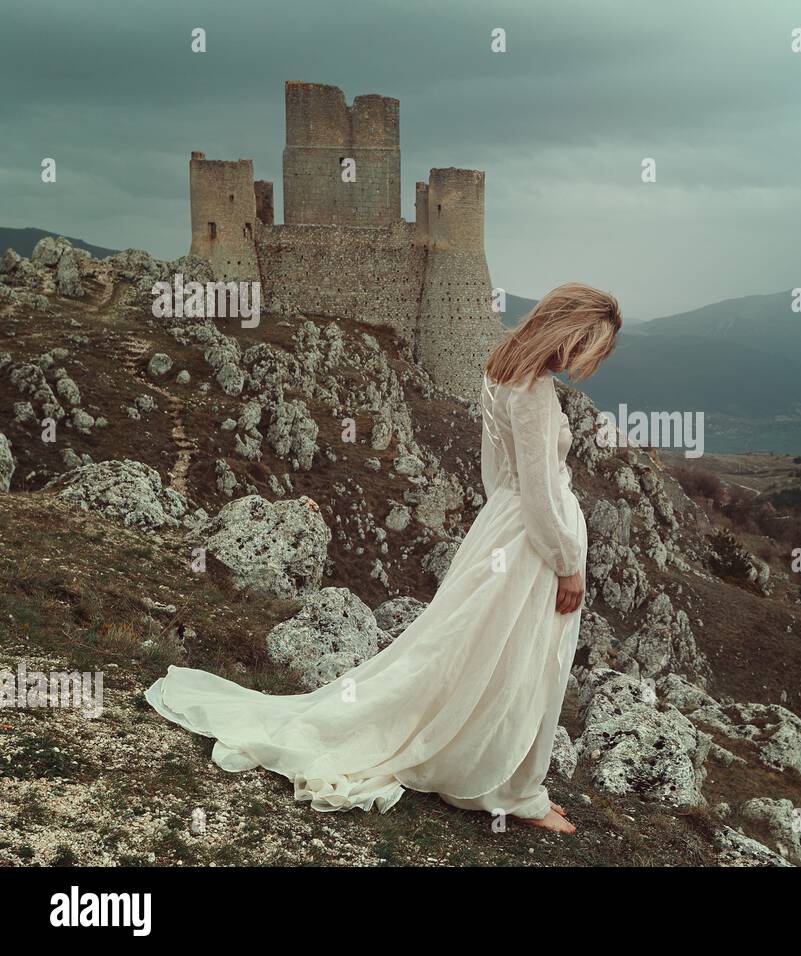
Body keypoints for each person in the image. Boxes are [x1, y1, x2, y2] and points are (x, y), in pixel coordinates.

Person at [145, 282, 622, 834]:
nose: (592, 362)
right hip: (536, 542)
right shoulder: (536, 393)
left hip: (504, 529)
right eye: (595, 346)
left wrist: (503, 520)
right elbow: (540, 494)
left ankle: (493, 772)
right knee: (522, 659)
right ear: (575, 332)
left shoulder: (502, 372)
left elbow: (500, 475)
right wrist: (567, 561)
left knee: (473, 650)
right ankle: (513, 791)